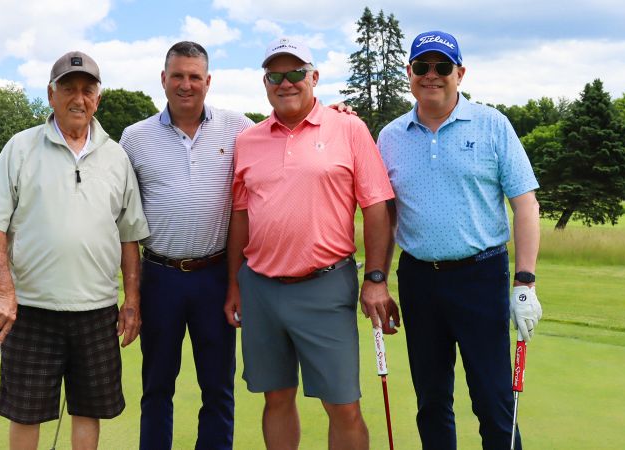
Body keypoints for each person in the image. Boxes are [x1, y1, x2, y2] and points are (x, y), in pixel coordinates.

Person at [0, 51, 150, 450]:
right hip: (31, 309)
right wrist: (4, 291)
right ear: (51, 94)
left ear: (97, 98)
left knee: (88, 409)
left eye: (87, 90)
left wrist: (131, 299)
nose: (78, 98)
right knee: (25, 411)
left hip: (97, 310)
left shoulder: (116, 156)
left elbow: (129, 236)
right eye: (68, 88)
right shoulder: (20, 148)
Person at [224, 37, 399, 450]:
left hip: (325, 285)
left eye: (296, 73)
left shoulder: (349, 128)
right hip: (261, 287)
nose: (286, 83)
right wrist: (234, 283)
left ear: (314, 77)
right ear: (265, 82)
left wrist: (376, 278)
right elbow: (241, 217)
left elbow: (376, 207)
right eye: (275, 75)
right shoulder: (248, 140)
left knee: (343, 405)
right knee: (276, 397)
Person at [376, 30, 544, 449]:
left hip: (480, 275)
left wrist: (525, 281)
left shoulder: (492, 125)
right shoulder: (390, 136)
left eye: (442, 67)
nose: (432, 75)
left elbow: (526, 204)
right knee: (431, 400)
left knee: (493, 400)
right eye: (422, 67)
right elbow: (385, 213)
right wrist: (377, 277)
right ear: (409, 72)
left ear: (460, 73)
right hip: (418, 278)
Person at [120, 41, 255, 450]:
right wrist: (131, 295)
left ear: (208, 81)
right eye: (177, 75)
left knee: (218, 387)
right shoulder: (134, 137)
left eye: (195, 76)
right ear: (163, 79)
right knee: (157, 387)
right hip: (158, 276)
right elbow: (125, 220)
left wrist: (333, 115)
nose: (185, 84)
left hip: (216, 276)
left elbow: (283, 139)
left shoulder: (239, 128)